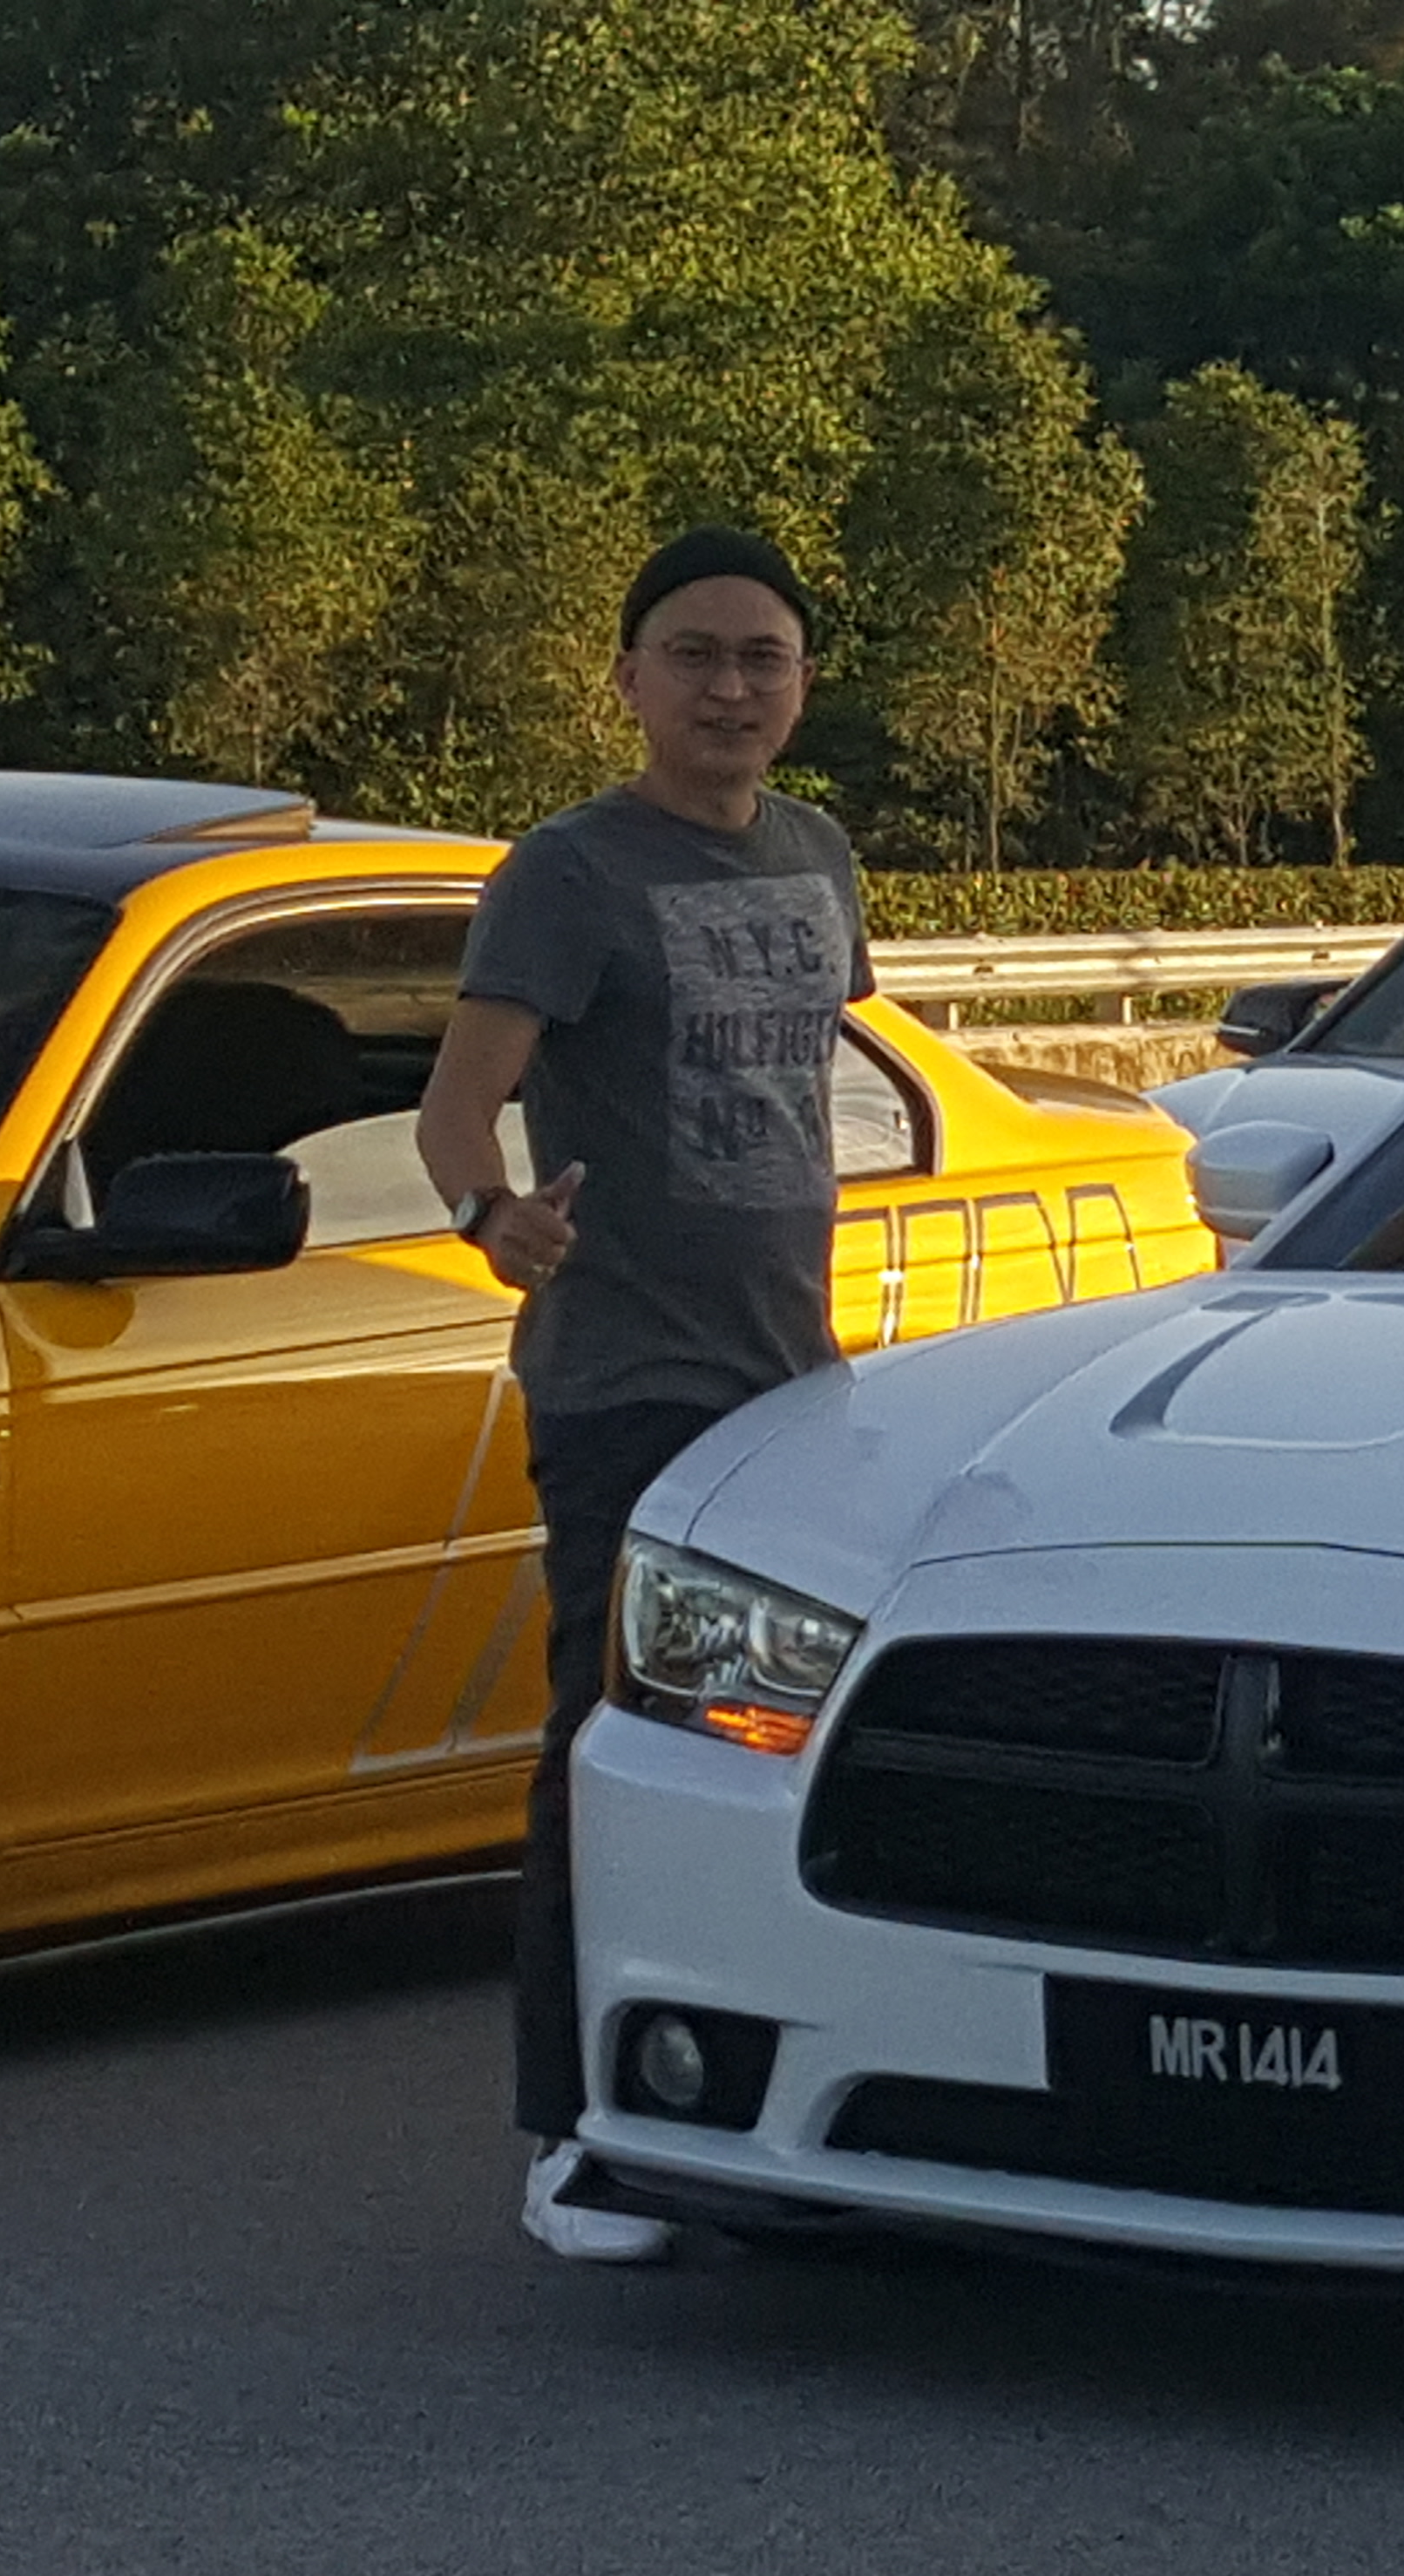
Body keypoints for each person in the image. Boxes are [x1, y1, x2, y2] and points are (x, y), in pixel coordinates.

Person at [416, 527, 871, 2264]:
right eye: (693, 654)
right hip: (628, 1384)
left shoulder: (821, 855)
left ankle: (762, 2090)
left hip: (793, 1385)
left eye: (763, 655)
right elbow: (458, 1104)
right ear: (627, 677)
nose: (730, 686)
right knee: (606, 1739)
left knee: (779, 1748)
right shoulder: (571, 873)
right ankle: (576, 2129)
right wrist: (492, 1216)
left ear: (802, 681)